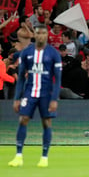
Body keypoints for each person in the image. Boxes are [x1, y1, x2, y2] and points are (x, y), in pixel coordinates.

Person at [8, 24, 62, 168]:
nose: (41, 36)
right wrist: (17, 98)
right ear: (35, 35)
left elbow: (58, 79)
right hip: (30, 92)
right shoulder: (27, 53)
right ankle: (18, 155)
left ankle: (44, 157)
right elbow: (20, 77)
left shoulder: (53, 53)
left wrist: (54, 99)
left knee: (46, 123)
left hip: (46, 93)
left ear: (47, 35)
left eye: (44, 33)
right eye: (38, 33)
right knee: (23, 119)